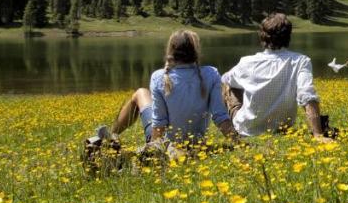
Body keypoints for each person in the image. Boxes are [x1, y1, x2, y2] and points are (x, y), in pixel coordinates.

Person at [84, 30, 237, 163]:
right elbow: (220, 116)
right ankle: (111, 137)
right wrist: (238, 143)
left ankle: (112, 136)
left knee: (140, 93)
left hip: (165, 142)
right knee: (143, 94)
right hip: (195, 142)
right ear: (195, 51)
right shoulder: (211, 73)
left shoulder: (159, 77)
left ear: (171, 51)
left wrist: (156, 147)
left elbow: (159, 123)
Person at [220, 13, 334, 141]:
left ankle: (231, 132)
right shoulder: (301, 61)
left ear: (262, 36)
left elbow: (224, 79)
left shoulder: (247, 62)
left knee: (228, 84)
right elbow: (307, 96)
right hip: (283, 128)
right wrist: (317, 134)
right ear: (288, 36)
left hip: (248, 130)